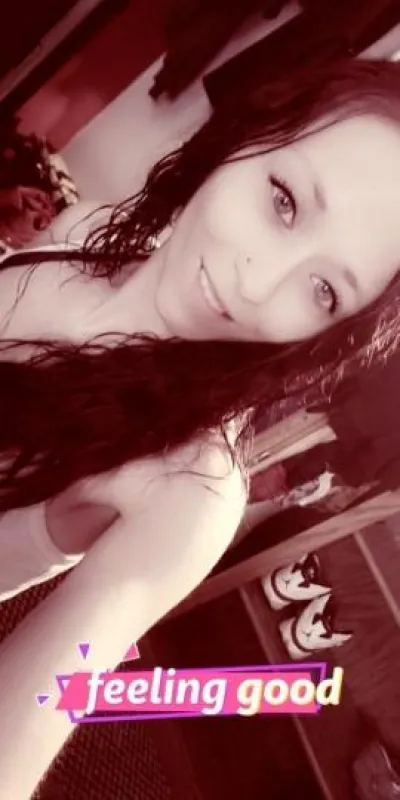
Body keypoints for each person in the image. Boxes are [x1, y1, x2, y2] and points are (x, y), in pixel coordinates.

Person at [1, 56, 400, 797]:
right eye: (284, 202)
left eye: (322, 289)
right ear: (253, 134)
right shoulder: (90, 234)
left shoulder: (189, 492)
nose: (256, 284)